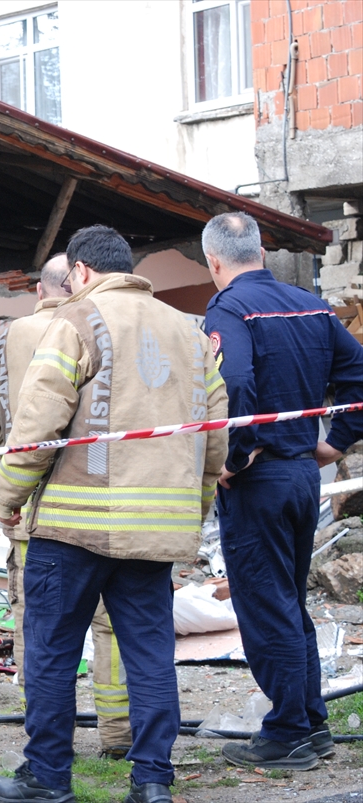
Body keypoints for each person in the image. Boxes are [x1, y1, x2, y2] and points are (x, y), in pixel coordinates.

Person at [0, 225, 227, 803]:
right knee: (148, 655)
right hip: (155, 533)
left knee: (52, 650)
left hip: (73, 527)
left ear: (84, 271)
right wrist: (194, 509)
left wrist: (9, 499)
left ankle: (47, 775)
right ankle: (152, 783)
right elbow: (214, 439)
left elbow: (37, 424)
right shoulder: (191, 334)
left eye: (69, 277)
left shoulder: (78, 320)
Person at [202, 211, 363, 770]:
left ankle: (289, 731)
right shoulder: (313, 304)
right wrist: (335, 443)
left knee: (266, 608)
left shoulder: (228, 309)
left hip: (261, 478)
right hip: (301, 476)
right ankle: (311, 723)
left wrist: (235, 455)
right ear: (263, 254)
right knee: (289, 604)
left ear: (213, 261)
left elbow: (237, 380)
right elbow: (358, 372)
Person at [0, 253, 133, 760]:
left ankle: (43, 736)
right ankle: (119, 734)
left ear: (41, 290)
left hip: (32, 506)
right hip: (102, 501)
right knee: (111, 623)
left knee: (35, 623)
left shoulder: (10, 336)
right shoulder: (112, 326)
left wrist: (2, 450)